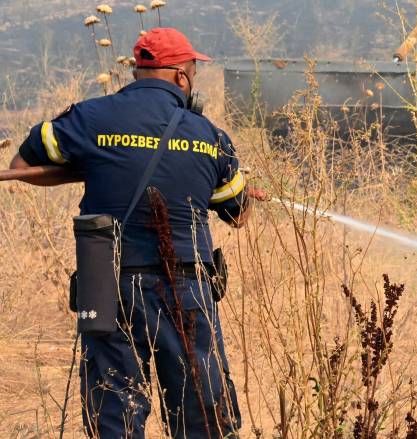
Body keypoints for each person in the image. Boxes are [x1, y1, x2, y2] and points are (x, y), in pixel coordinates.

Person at [8, 28, 257, 438]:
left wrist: (87, 169)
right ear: (181, 76)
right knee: (203, 414)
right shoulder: (210, 136)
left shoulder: (88, 118)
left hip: (108, 287)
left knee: (115, 412)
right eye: (194, 70)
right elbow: (238, 214)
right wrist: (244, 186)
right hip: (187, 289)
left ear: (138, 71)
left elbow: (21, 167)